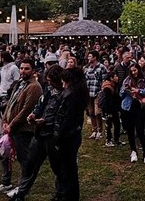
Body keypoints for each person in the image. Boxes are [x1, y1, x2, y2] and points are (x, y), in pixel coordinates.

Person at [8, 65, 64, 201]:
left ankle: (60, 194)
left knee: (58, 167)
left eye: (51, 80)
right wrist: (34, 115)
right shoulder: (48, 90)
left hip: (53, 136)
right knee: (30, 165)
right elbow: (40, 105)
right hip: (40, 134)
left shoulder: (65, 93)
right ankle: (21, 193)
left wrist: (44, 121)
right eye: (48, 80)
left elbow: (61, 115)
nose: (49, 83)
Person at [0, 59, 43, 196]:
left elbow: (26, 109)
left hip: (23, 129)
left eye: (27, 69)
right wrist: (5, 121)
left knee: (23, 158)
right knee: (4, 155)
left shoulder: (34, 87)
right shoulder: (20, 83)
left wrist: (11, 125)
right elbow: (10, 103)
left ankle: (22, 187)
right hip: (10, 127)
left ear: (33, 71)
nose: (23, 71)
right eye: (22, 68)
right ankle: (6, 183)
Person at [52, 67, 87, 200]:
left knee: (68, 171)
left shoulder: (70, 95)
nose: (62, 84)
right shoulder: (79, 92)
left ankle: (68, 196)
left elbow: (66, 119)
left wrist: (58, 138)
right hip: (73, 135)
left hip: (68, 137)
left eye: (64, 81)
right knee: (70, 169)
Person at [120, 62, 145, 163]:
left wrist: (138, 91)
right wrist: (125, 90)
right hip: (128, 107)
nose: (133, 73)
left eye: (135, 70)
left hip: (140, 106)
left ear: (139, 69)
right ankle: (133, 151)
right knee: (130, 130)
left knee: (140, 130)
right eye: (132, 71)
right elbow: (121, 94)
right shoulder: (127, 80)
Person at [84, 50, 106, 140]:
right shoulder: (87, 68)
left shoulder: (102, 67)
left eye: (90, 56)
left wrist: (101, 91)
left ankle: (100, 131)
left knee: (97, 113)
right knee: (91, 112)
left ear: (95, 57)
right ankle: (94, 130)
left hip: (97, 93)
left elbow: (104, 81)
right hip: (89, 93)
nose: (88, 58)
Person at [100, 71, 123, 147]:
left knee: (117, 124)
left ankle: (116, 139)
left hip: (114, 108)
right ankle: (108, 140)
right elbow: (107, 100)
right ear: (111, 78)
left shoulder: (115, 85)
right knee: (108, 125)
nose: (117, 77)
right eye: (115, 76)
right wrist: (108, 111)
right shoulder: (107, 87)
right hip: (108, 108)